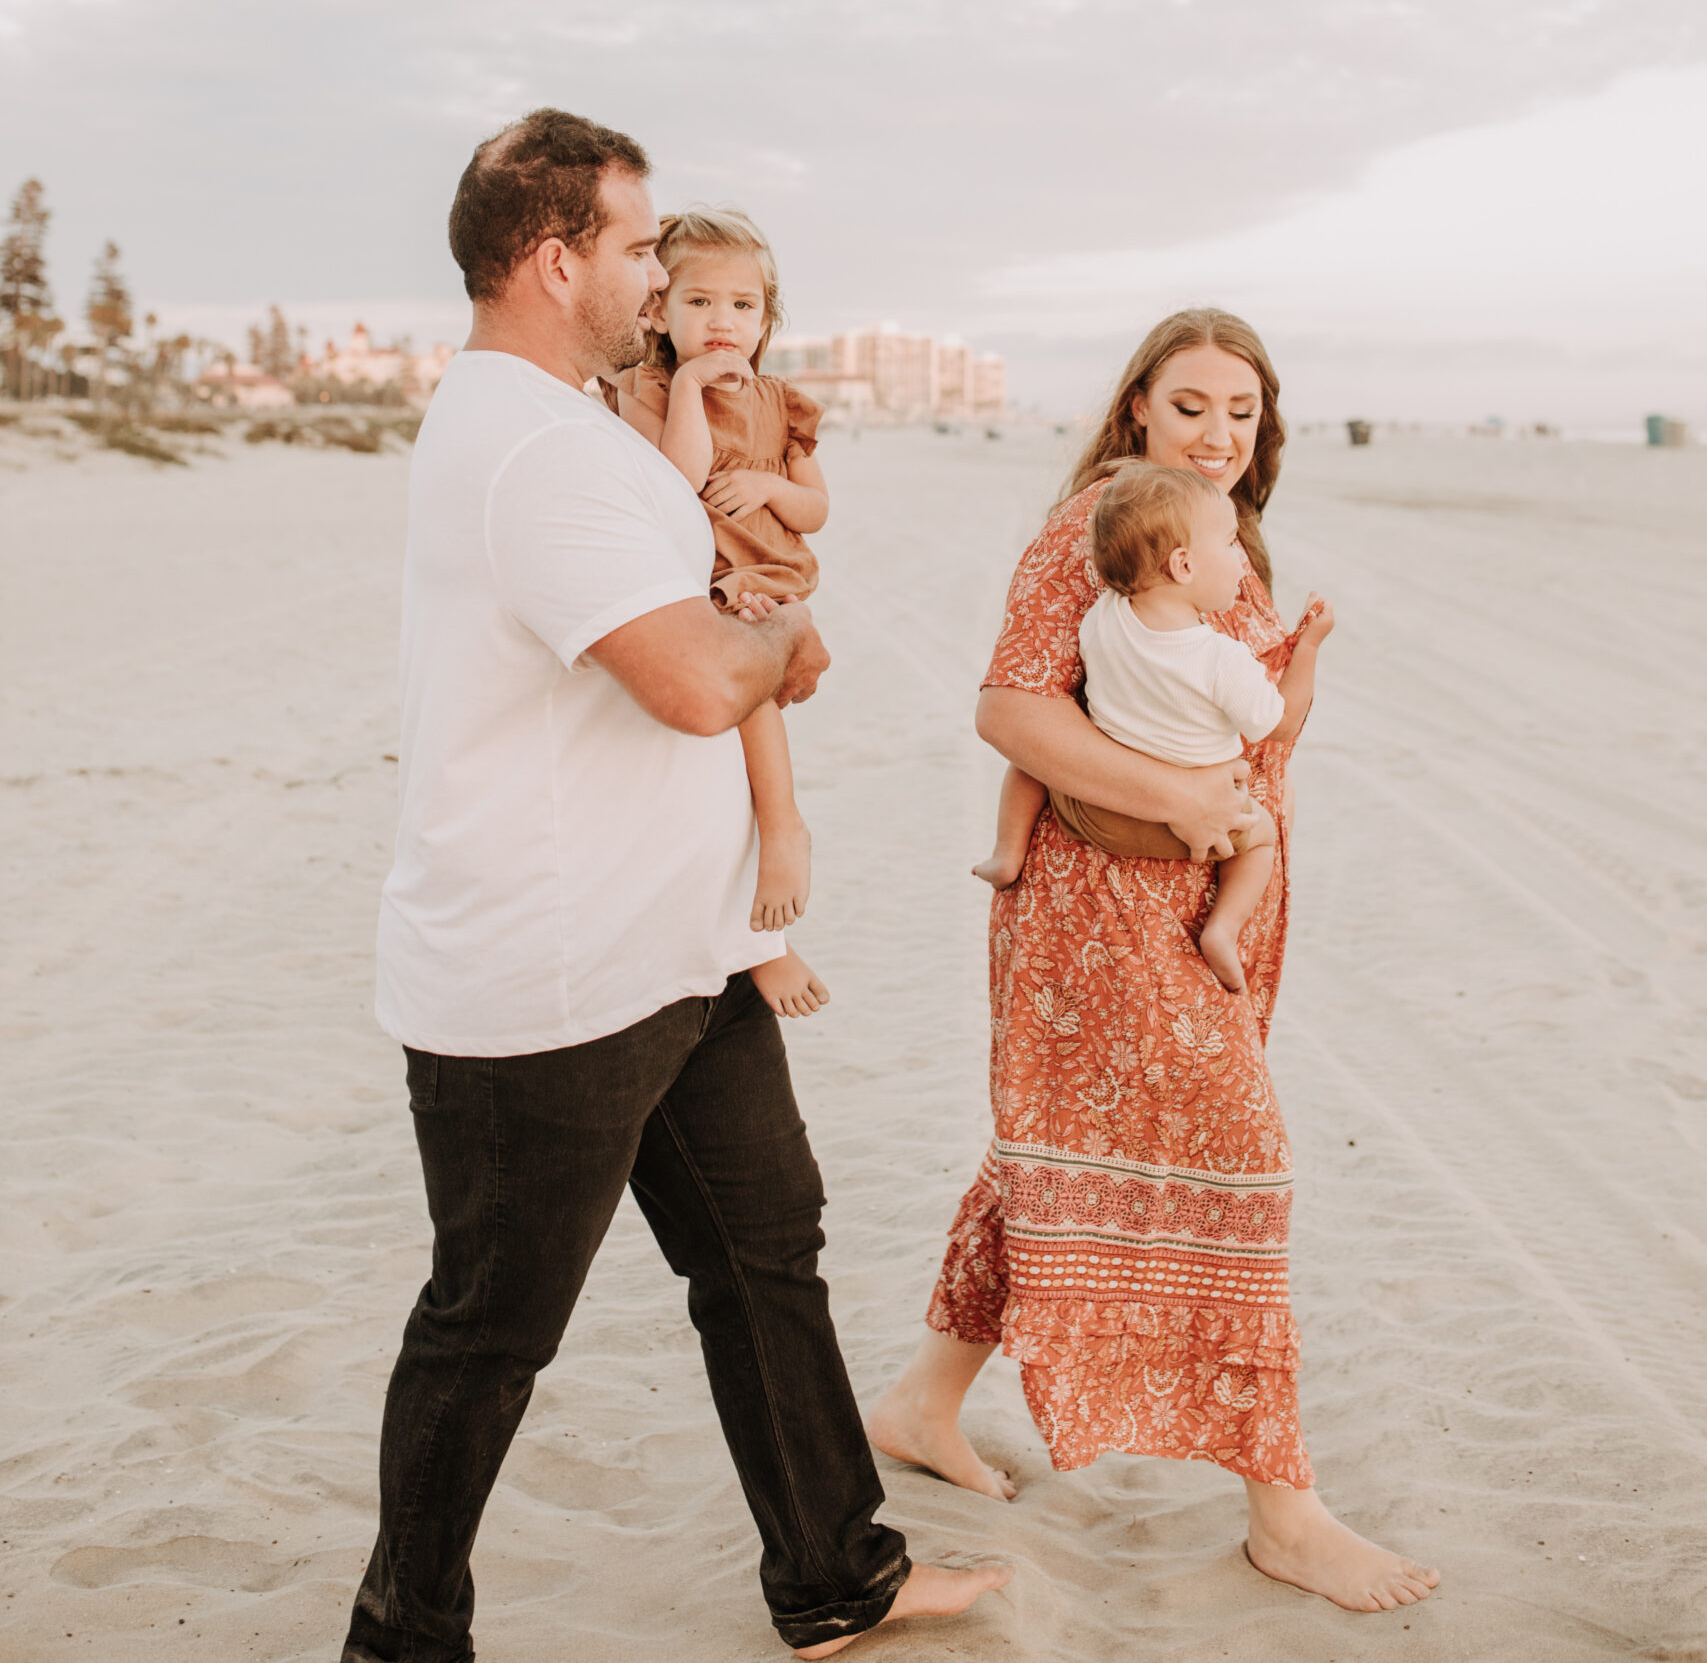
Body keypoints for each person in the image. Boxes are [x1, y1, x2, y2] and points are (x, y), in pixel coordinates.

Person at [340, 109, 1009, 1663]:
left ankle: (832, 1574)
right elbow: (698, 681)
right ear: (556, 256)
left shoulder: (564, 427)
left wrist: (759, 640)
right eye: (639, 246)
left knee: (766, 1249)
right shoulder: (535, 450)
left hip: (678, 952)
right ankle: (400, 1638)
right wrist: (784, 642)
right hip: (550, 978)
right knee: (489, 1331)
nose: (658, 274)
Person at [867, 308, 1440, 1616]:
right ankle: (1283, 1515)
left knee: (1052, 1141)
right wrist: (1183, 808)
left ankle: (919, 1400)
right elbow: (1007, 705)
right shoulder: (1095, 528)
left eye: (1240, 411)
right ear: (1135, 410)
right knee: (1239, 1159)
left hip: (1192, 900)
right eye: (1190, 406)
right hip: (1099, 906)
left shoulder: (1222, 548)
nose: (1218, 433)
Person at [972, 458, 1334, 995]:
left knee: (1030, 763)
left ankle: (1007, 852)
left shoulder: (1103, 615)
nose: (1240, 559)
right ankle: (1223, 930)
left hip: (1084, 807)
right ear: (1184, 566)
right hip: (1177, 827)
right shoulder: (1220, 657)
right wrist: (1308, 648)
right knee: (1263, 839)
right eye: (1232, 545)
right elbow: (1278, 724)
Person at [608, 206, 829, 1020]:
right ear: (658, 310)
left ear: (766, 318)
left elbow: (814, 510)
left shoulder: (782, 403)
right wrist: (695, 390)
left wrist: (773, 487)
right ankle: (774, 858)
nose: (722, 322)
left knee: (753, 715)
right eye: (700, 303)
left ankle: (781, 838)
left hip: (762, 576)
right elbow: (677, 479)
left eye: (743, 306)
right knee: (719, 750)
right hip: (695, 580)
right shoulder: (647, 390)